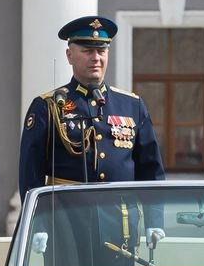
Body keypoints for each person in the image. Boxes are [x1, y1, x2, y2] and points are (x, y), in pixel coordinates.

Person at [17, 16, 164, 197]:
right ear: (69, 56)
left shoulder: (132, 105)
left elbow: (152, 173)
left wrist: (153, 225)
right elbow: (31, 174)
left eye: (101, 51)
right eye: (87, 51)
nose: (96, 58)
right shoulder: (48, 106)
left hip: (121, 218)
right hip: (68, 217)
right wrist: (38, 223)